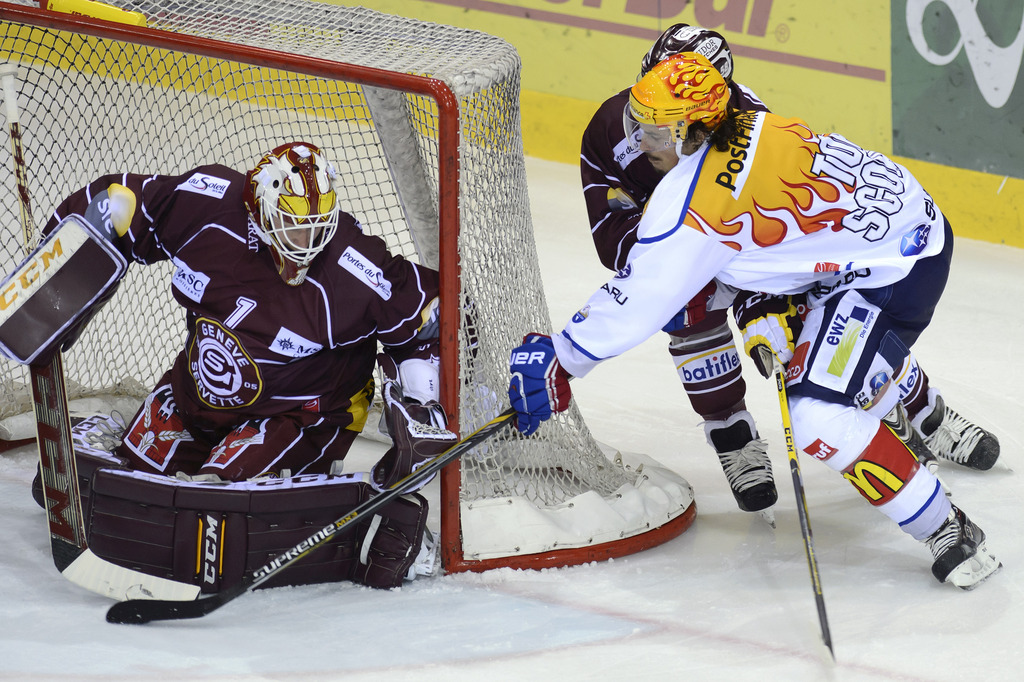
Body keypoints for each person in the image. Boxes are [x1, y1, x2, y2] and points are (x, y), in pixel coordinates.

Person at [510, 54, 1001, 589]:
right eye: (636, 121)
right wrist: (760, 302)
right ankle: (906, 414)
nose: (640, 141)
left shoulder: (693, 203)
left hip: (889, 274)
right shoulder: (749, 117)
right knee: (823, 362)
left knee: (816, 413)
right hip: (904, 234)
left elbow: (642, 295)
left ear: (694, 130)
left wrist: (563, 356)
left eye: (654, 130)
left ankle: (946, 526)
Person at [6, 140, 456, 591]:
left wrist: (421, 399)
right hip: (197, 393)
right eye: (293, 228)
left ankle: (342, 509)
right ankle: (115, 438)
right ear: (258, 211)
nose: (307, 245)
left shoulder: (350, 266)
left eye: (317, 229)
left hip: (299, 413)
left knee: (212, 505)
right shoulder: (207, 206)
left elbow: (433, 314)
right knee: (129, 480)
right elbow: (120, 203)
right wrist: (56, 267)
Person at [580, 24, 775, 517]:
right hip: (678, 248)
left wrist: (756, 286)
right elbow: (614, 236)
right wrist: (678, 256)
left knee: (800, 306)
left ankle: (903, 404)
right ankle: (731, 432)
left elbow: (780, 218)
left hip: (742, 247)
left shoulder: (749, 122)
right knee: (684, 306)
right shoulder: (607, 132)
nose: (645, 128)